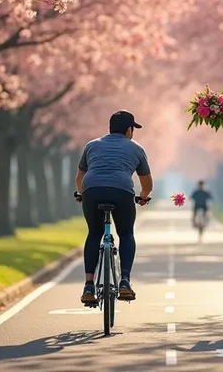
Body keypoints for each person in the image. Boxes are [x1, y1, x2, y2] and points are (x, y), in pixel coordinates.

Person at [75, 110, 154, 305]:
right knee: (126, 233)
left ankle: (88, 286)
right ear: (129, 130)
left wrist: (82, 194)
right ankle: (125, 281)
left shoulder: (91, 146)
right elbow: (147, 184)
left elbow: (80, 178)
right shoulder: (136, 149)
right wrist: (143, 197)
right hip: (121, 190)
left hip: (91, 189)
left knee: (94, 233)